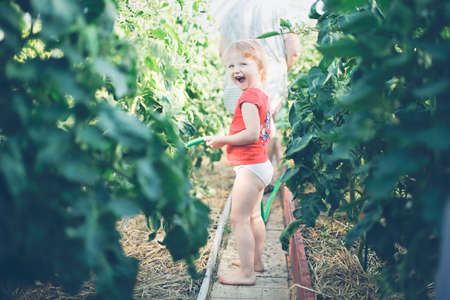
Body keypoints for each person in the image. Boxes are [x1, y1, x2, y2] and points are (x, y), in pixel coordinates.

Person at [204, 40, 273, 285]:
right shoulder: (261, 95)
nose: (236, 69)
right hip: (261, 164)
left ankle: (246, 274)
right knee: (254, 216)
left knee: (238, 219)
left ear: (260, 67)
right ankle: (256, 262)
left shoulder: (247, 99)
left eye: (243, 63)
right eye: (231, 65)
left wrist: (224, 139)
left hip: (250, 168)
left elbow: (252, 134)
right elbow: (268, 132)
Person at [218, 0, 301, 180]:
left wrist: (235, 67)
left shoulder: (230, 9)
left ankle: (245, 174)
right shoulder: (280, 7)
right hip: (270, 77)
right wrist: (280, 71)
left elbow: (222, 51)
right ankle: (261, 179)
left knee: (244, 125)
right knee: (266, 128)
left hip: (236, 81)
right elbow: (294, 50)